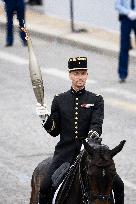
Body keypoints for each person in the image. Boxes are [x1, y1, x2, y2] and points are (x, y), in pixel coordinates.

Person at [36, 57, 124, 204]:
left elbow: (96, 125)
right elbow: (54, 131)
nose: (80, 77)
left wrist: (89, 141)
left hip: (91, 154)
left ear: (87, 75)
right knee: (45, 187)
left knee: (119, 185)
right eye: (76, 73)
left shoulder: (96, 99)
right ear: (70, 75)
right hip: (65, 154)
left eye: (83, 73)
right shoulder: (59, 100)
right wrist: (45, 119)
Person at [115, 0, 136, 83]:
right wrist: (128, 12)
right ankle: (122, 74)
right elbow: (117, 6)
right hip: (126, 18)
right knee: (124, 46)